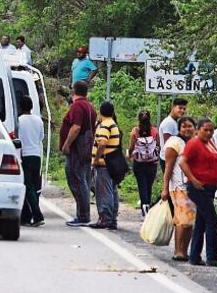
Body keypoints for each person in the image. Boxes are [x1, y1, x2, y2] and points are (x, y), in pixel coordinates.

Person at [179, 117, 217, 266]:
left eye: (211, 130)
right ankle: (212, 257)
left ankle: (195, 256)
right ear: (198, 130)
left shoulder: (210, 143)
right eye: (206, 130)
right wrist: (193, 179)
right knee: (212, 220)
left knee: (201, 223)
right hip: (198, 188)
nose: (209, 133)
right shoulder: (194, 143)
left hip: (210, 187)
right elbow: (182, 162)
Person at [60, 80, 96, 227]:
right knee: (84, 180)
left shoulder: (77, 106)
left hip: (76, 150)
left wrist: (66, 144)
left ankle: (82, 215)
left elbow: (76, 127)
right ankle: (82, 214)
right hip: (86, 149)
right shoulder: (89, 107)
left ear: (74, 91)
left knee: (76, 180)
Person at [161, 116, 197, 261]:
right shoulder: (174, 142)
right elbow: (168, 167)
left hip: (193, 186)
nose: (187, 129)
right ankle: (178, 250)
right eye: (184, 126)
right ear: (179, 128)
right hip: (178, 186)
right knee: (182, 220)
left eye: (190, 126)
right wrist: (165, 188)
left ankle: (185, 250)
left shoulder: (195, 142)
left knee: (190, 221)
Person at [91, 101, 122, 229]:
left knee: (104, 191)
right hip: (112, 162)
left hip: (104, 163)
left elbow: (102, 143)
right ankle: (112, 218)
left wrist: (96, 159)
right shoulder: (113, 124)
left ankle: (105, 218)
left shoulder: (104, 125)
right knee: (112, 190)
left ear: (100, 112)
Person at [17, 95, 45, 227]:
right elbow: (41, 137)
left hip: (25, 155)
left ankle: (37, 215)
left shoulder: (19, 121)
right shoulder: (38, 120)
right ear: (32, 106)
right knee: (34, 187)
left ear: (20, 107)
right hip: (36, 155)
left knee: (28, 187)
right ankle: (27, 217)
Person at [129, 110, 161, 218]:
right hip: (152, 163)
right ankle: (147, 208)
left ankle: (144, 209)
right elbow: (158, 145)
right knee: (149, 186)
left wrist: (129, 155)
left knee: (141, 185)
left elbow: (132, 146)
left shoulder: (135, 131)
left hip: (139, 163)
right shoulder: (154, 131)